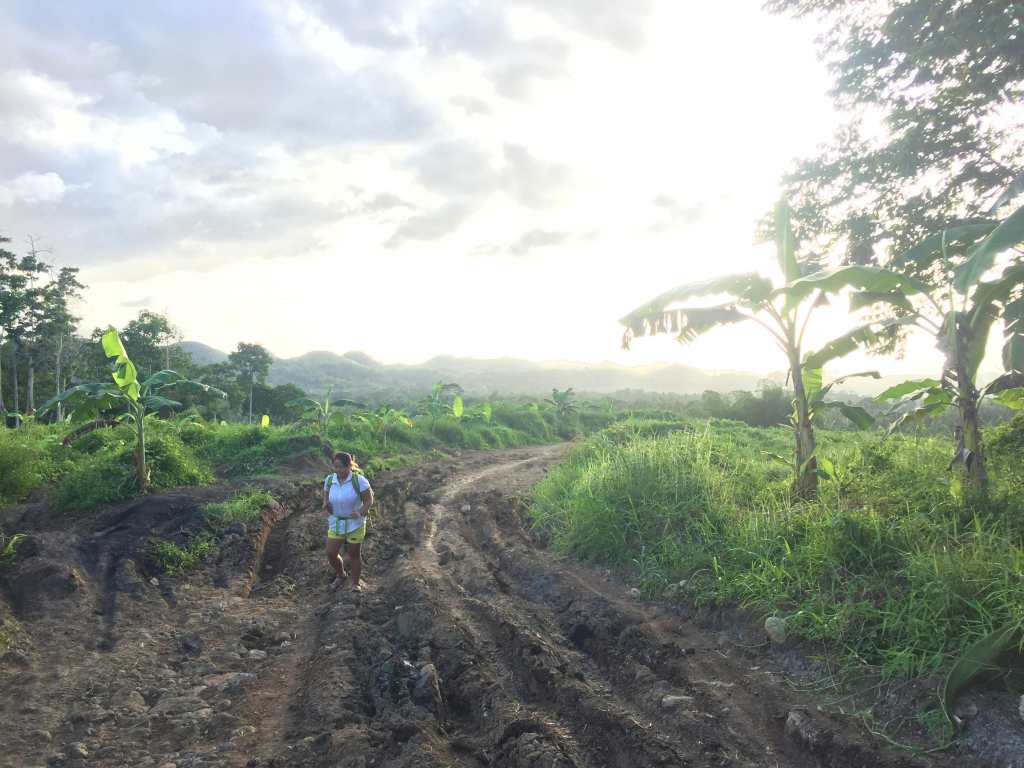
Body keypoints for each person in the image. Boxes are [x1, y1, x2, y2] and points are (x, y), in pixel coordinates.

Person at [322, 451, 373, 592]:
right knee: (331, 553)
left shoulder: (359, 480)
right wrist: (325, 502)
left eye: (341, 467)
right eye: (336, 467)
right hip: (336, 522)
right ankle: (341, 575)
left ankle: (355, 583)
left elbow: (369, 500)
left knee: (353, 554)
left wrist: (360, 512)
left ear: (349, 466)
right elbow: (326, 493)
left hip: (354, 524)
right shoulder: (330, 479)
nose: (338, 471)